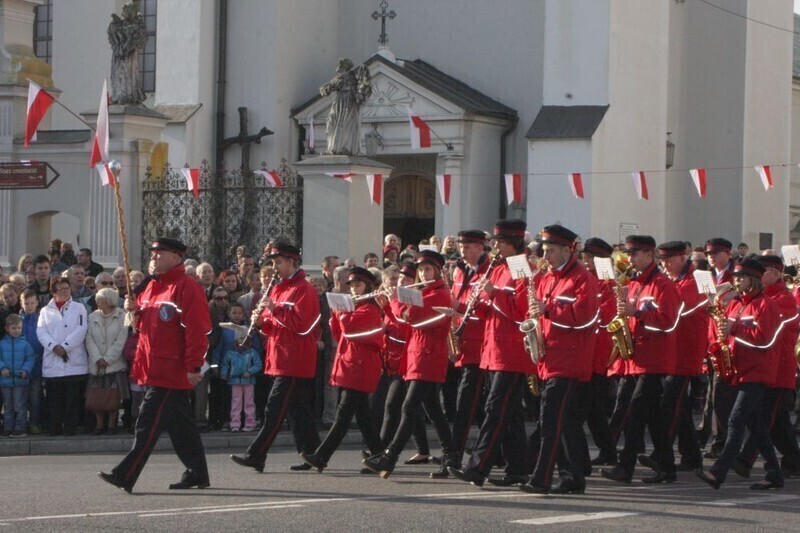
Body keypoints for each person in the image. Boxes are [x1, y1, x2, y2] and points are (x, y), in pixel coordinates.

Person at [99, 237, 211, 493]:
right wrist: (134, 311)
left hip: (171, 370)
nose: (153, 256)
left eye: (159, 253)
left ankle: (125, 474)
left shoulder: (188, 287)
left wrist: (194, 365)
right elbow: (142, 327)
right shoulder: (150, 287)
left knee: (146, 423)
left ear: (175, 257)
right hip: (153, 366)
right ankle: (197, 472)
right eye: (152, 253)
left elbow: (198, 330)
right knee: (181, 426)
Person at [518, 225, 599, 494]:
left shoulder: (582, 278)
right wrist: (533, 329)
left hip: (569, 359)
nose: (545, 256)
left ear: (566, 250)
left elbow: (585, 317)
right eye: (544, 250)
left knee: (550, 419)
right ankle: (572, 477)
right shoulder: (547, 277)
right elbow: (537, 313)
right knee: (566, 423)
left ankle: (541, 478)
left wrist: (549, 310)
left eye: (550, 250)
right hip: (550, 357)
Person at [363, 250, 456, 479]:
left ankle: (390, 457)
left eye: (428, 269)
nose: (423, 274)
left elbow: (411, 316)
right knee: (433, 410)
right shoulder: (423, 292)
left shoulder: (440, 294)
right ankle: (452, 457)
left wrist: (394, 300)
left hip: (429, 356)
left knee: (409, 406)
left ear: (437, 271)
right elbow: (404, 320)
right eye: (421, 270)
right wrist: (388, 306)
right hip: (418, 354)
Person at [231, 242, 322, 474]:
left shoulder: (304, 289)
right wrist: (261, 322)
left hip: (294, 359)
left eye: (279, 262)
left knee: (274, 408)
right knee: (298, 410)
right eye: (273, 263)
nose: (275, 267)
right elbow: (274, 327)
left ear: (292, 262)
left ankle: (256, 455)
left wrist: (274, 309)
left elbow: (303, 326)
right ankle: (314, 454)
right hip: (279, 356)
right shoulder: (278, 288)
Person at [695, 259, 784, 490]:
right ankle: (774, 473)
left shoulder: (765, 305)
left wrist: (734, 329)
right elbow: (724, 333)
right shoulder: (735, 304)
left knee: (736, 420)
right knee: (757, 426)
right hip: (739, 370)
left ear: (753, 280)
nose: (736, 281)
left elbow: (765, 340)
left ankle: (718, 472)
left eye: (741, 277)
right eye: (735, 277)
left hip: (757, 371)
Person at [601, 235, 681, 485]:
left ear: (649, 254)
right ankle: (667, 468)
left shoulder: (663, 285)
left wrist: (636, 314)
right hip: (636, 357)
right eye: (629, 254)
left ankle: (625, 467)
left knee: (635, 412)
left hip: (654, 358)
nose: (631, 259)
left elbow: (669, 322)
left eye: (635, 254)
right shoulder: (635, 284)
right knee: (653, 416)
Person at [301, 267, 385, 472]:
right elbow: (339, 335)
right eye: (352, 285)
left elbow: (350, 331)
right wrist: (335, 315)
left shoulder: (370, 310)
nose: (354, 289)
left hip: (361, 367)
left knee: (343, 414)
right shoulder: (355, 308)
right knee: (363, 416)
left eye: (358, 285)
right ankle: (379, 455)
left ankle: (321, 456)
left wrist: (342, 312)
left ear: (368, 287)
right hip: (350, 365)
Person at [732, 255, 800, 478]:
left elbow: (766, 329)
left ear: (777, 273)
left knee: (766, 417)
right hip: (760, 366)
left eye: (765, 271)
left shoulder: (784, 299)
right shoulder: (754, 299)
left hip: (780, 369)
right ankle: (794, 460)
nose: (759, 276)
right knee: (775, 422)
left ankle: (746, 460)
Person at [447, 230, 492, 474]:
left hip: (480, 345)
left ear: (479, 248)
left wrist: (459, 306)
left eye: (467, 247)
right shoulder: (459, 271)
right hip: (463, 343)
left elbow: (484, 310)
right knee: (480, 404)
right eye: (461, 246)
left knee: (466, 403)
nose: (462, 251)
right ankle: (496, 453)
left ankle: (454, 455)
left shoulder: (488, 272)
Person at [580, 238, 621, 467]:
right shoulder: (587, 279)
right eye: (585, 257)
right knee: (592, 408)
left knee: (586, 405)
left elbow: (606, 316)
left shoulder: (608, 284)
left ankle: (594, 453)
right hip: (587, 350)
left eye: (590, 257)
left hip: (600, 352)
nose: (585, 261)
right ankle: (607, 450)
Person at [37, 277, 89, 436]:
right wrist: (54, 346)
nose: (65, 291)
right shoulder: (45, 311)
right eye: (61, 289)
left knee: (73, 398)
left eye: (67, 288)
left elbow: (81, 329)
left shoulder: (79, 308)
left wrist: (65, 346)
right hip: (53, 362)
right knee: (55, 398)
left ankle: (70, 428)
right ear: (54, 292)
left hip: (74, 361)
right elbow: (41, 331)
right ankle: (55, 427)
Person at [85, 287, 129, 435]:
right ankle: (99, 425)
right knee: (97, 395)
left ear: (109, 301)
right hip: (97, 365)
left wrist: (108, 359)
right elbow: (89, 338)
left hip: (115, 364)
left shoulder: (122, 316)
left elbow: (121, 340)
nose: (98, 302)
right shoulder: (92, 316)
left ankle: (112, 424)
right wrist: (97, 358)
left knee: (113, 397)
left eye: (101, 300)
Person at [0, 315, 35, 437]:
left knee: (20, 405)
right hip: (5, 381)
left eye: (19, 328)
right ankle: (8, 427)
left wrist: (26, 370)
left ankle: (20, 428)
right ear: (7, 328)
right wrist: (2, 368)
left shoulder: (25, 344)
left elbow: (30, 359)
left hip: (20, 380)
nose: (17, 331)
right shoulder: (2, 344)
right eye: (14, 328)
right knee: (8, 405)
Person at [221, 331, 263, 433]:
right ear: (236, 339)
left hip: (248, 381)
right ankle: (235, 424)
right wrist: (223, 373)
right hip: (235, 381)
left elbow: (258, 365)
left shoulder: (252, 352)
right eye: (240, 338)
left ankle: (250, 423)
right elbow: (225, 364)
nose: (242, 340)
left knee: (249, 403)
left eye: (244, 338)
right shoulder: (231, 352)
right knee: (236, 403)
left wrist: (250, 372)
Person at [19, 289, 44, 434]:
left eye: (32, 303)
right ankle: (20, 423)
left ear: (37, 303)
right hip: (21, 366)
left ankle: (34, 422)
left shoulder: (41, 320)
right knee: (21, 398)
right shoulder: (18, 321)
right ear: (21, 304)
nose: (29, 306)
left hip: (37, 366)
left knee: (35, 397)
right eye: (26, 303)